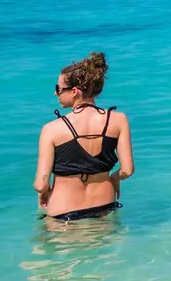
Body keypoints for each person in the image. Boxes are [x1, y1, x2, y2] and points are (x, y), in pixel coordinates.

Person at [35, 52, 133, 221]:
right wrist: (114, 178)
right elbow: (127, 170)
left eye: (58, 89)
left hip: (64, 212)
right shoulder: (118, 120)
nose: (55, 93)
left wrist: (44, 193)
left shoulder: (51, 129)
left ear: (74, 91)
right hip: (105, 207)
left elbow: (41, 184)